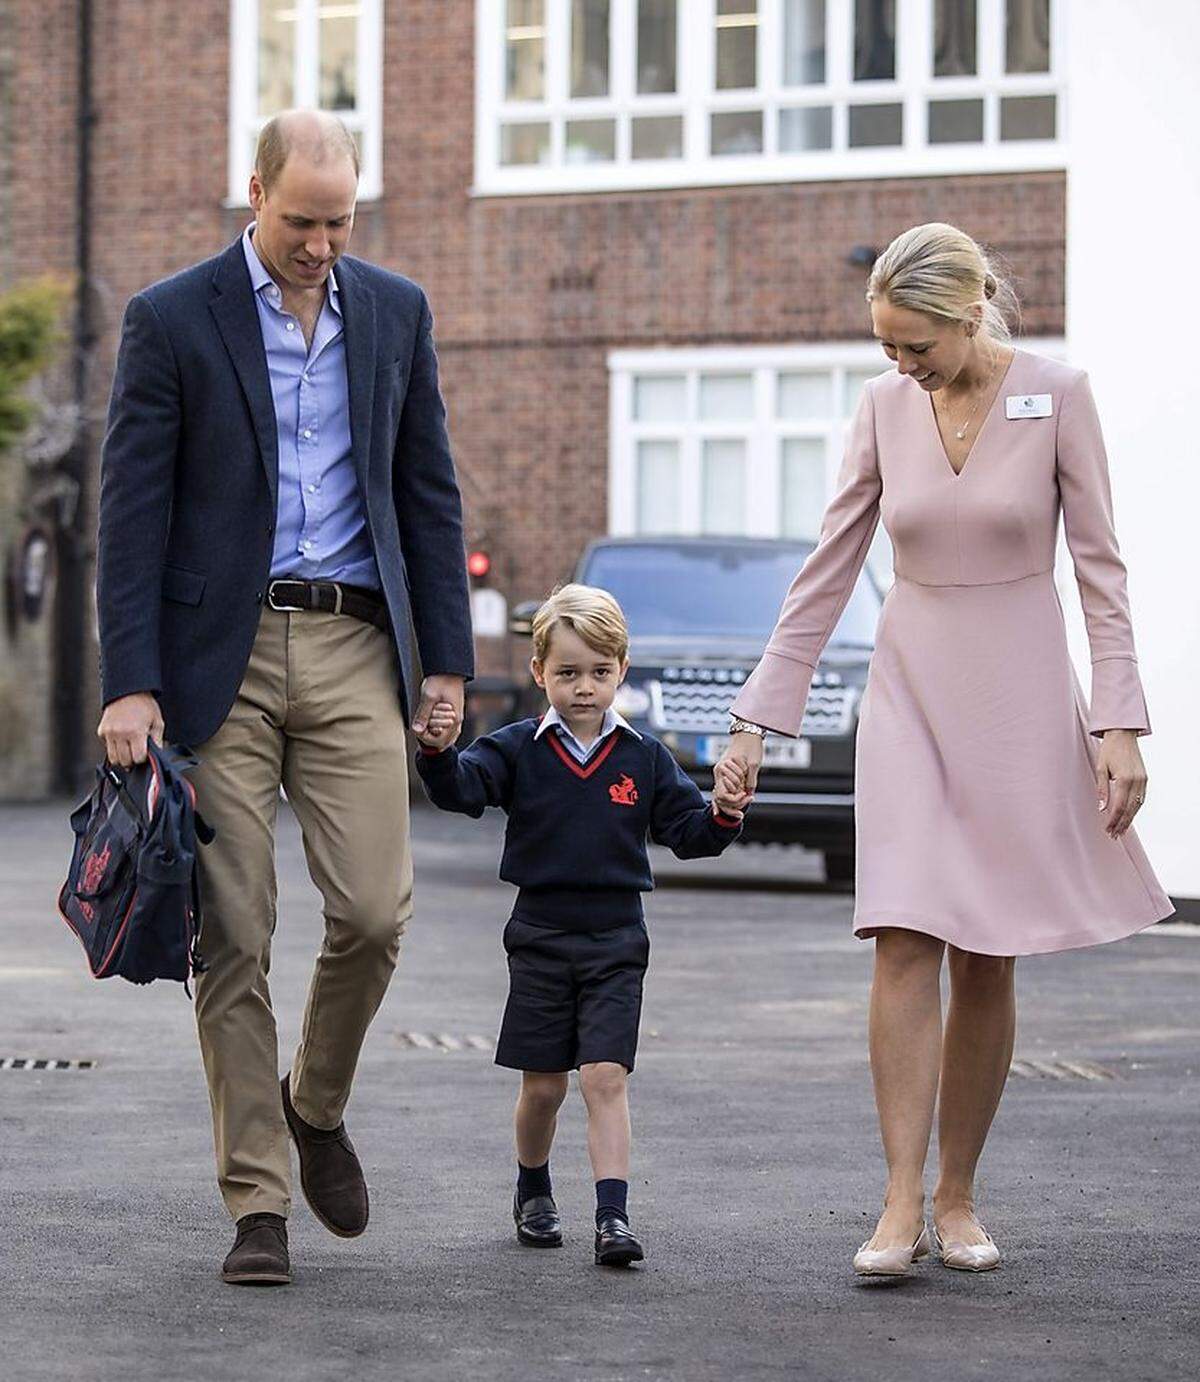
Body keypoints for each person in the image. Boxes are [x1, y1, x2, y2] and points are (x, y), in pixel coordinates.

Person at [714, 222, 1173, 1278]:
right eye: (887, 346)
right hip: (910, 691)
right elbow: (827, 570)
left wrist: (1119, 722)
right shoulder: (883, 410)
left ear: (971, 313)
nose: (902, 366)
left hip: (1016, 690)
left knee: (986, 945)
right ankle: (896, 1199)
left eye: (916, 345)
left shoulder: (1058, 393)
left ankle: (959, 1196)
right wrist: (756, 717)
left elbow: (1102, 570)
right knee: (902, 932)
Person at [95, 110, 474, 1285]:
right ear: (252, 192)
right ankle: (258, 1198)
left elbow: (429, 491)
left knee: (373, 909)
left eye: (340, 221)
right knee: (235, 929)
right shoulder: (171, 318)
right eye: (301, 220)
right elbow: (130, 511)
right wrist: (131, 682)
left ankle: (315, 1101)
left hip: (360, 643)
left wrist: (448, 664)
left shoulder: (396, 312)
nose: (320, 243)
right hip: (225, 656)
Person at [413, 584, 744, 1266]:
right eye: (567, 673)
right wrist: (441, 753)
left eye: (599, 671)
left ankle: (612, 1218)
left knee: (604, 1075)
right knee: (544, 1085)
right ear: (539, 673)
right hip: (538, 935)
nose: (584, 687)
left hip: (618, 939)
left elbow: (688, 832)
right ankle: (532, 1185)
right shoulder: (517, 750)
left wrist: (725, 812)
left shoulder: (644, 758)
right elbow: (463, 791)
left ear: (622, 669)